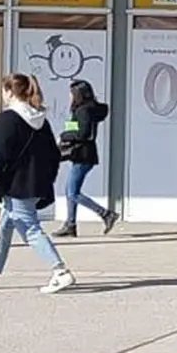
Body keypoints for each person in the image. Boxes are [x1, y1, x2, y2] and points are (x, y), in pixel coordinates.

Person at [0, 75, 76, 294]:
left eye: (4, 91)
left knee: (30, 228)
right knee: (4, 227)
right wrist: (46, 179)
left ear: (10, 92)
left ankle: (60, 271)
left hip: (16, 186)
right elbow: (53, 154)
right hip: (34, 185)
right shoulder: (41, 120)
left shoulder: (9, 118)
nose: (3, 96)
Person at [51, 79, 117, 237]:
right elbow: (75, 128)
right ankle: (70, 224)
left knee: (72, 192)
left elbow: (83, 133)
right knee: (70, 190)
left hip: (83, 154)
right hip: (83, 154)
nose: (70, 96)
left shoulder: (84, 110)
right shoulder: (83, 109)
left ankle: (106, 214)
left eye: (72, 93)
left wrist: (63, 135)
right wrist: (66, 136)